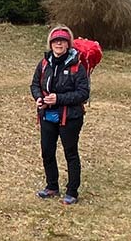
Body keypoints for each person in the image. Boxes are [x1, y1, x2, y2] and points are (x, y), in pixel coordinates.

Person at [30, 26, 90, 205]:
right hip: (47, 115)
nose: (58, 43)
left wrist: (58, 98)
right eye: (55, 41)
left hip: (70, 117)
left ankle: (72, 192)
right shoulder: (44, 63)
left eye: (62, 41)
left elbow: (83, 93)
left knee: (70, 153)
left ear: (67, 44)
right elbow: (34, 85)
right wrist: (39, 98)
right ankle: (52, 186)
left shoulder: (76, 66)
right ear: (50, 43)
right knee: (47, 151)